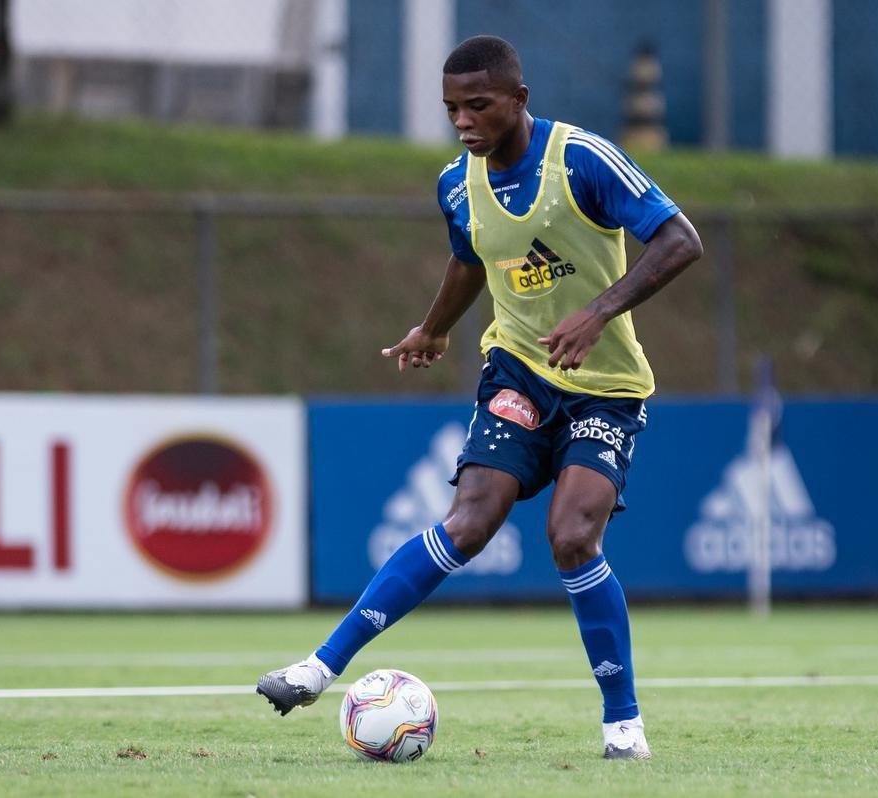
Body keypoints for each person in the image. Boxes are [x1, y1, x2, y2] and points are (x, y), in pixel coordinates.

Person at [258, 34, 702, 761]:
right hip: (518, 371)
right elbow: (469, 260)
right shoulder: (456, 183)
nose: (463, 121)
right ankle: (318, 668)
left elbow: (681, 240)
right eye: (451, 109)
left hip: (605, 390)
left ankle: (623, 724)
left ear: (519, 99)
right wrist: (433, 328)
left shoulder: (581, 159)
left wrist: (598, 312)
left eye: (478, 105)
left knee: (572, 537)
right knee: (468, 523)